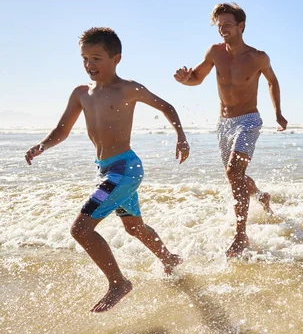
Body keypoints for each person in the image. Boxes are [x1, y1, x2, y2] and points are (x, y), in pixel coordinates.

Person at [24, 27, 189, 313]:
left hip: (124, 170)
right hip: (106, 170)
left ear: (116, 58)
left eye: (97, 58)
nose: (90, 65)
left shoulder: (128, 88)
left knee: (81, 228)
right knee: (133, 227)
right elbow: (62, 130)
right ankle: (169, 259)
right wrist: (42, 146)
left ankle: (118, 283)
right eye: (85, 58)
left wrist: (181, 137)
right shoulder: (81, 93)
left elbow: (167, 106)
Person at [173, 3, 287, 258]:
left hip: (248, 121)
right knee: (234, 176)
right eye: (219, 25)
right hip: (224, 124)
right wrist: (184, 79)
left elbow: (272, 81)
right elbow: (196, 78)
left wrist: (278, 112)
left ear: (241, 26)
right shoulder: (215, 52)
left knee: (233, 170)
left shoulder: (258, 57)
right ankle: (260, 196)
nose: (222, 29)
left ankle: (241, 235)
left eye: (227, 24)